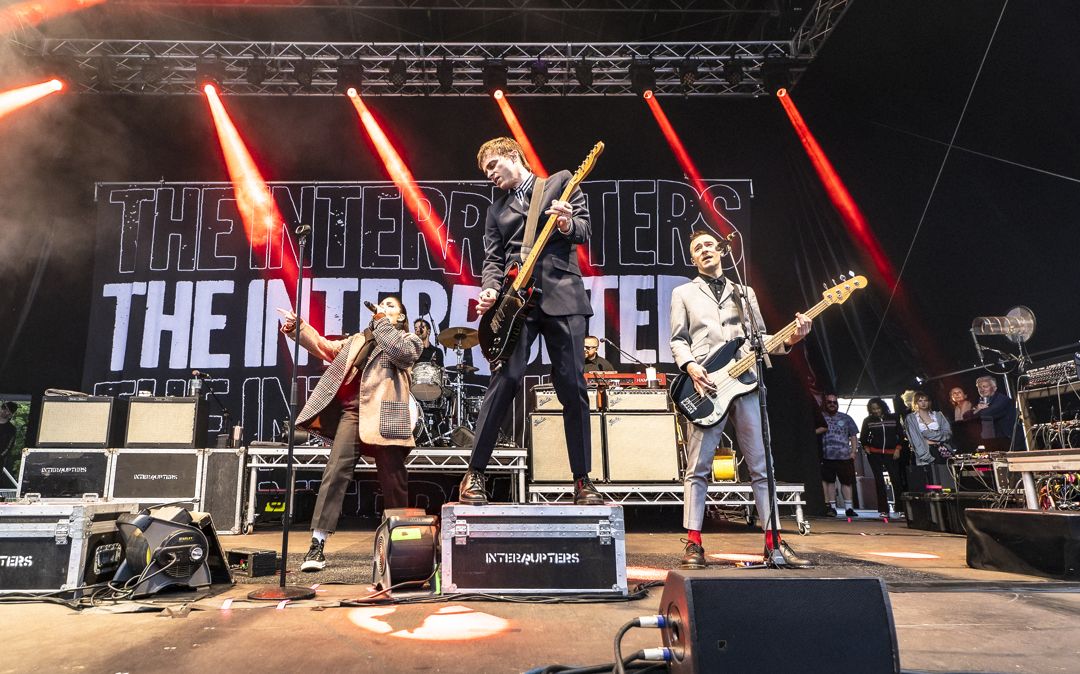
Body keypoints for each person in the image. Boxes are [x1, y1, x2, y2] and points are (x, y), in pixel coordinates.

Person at [458, 137, 602, 506]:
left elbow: (584, 230)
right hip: (515, 303)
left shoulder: (560, 182)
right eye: (485, 171)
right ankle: (475, 474)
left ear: (513, 156)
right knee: (504, 379)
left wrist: (568, 223)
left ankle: (582, 480)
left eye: (492, 165)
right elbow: (492, 260)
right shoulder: (496, 211)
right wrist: (490, 290)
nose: (489, 175)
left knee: (572, 385)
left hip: (563, 295)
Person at [670, 229, 813, 568]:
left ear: (721, 250)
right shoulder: (683, 292)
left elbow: (762, 340)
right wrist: (691, 367)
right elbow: (677, 339)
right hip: (707, 384)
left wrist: (791, 338)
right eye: (697, 248)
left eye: (709, 245)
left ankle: (773, 541)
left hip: (747, 382)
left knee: (762, 466)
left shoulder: (744, 292)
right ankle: (693, 543)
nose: (705, 250)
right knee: (698, 467)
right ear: (692, 258)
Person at [280, 296, 423, 572]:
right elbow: (325, 347)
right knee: (335, 472)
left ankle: (399, 540)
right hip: (353, 413)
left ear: (401, 317)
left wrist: (382, 325)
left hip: (386, 413)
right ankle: (317, 544)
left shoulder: (408, 339)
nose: (384, 307)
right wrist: (299, 328)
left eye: (391, 306)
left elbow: (403, 354)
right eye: (382, 304)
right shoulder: (358, 339)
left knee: (394, 480)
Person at [817, 394, 860, 518]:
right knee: (829, 482)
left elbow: (853, 435)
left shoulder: (846, 418)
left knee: (847, 482)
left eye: (834, 402)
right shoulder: (821, 417)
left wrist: (853, 451)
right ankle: (832, 507)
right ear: (825, 403)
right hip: (826, 456)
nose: (832, 404)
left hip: (844, 456)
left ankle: (849, 508)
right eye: (829, 402)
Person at [859, 397, 904, 518]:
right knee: (879, 480)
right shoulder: (868, 420)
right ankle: (883, 510)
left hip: (892, 453)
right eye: (873, 409)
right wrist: (866, 447)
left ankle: (901, 508)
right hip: (874, 454)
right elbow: (863, 437)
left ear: (882, 407)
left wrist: (898, 449)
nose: (876, 411)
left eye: (878, 408)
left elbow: (900, 434)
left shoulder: (893, 418)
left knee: (896, 479)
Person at [903, 390, 954, 490]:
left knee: (947, 481)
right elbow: (914, 439)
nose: (923, 403)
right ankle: (936, 504)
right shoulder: (911, 418)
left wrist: (927, 434)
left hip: (942, 450)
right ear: (915, 403)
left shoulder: (938, 415)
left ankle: (948, 503)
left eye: (925, 400)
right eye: (920, 400)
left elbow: (948, 433)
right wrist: (926, 455)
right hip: (925, 451)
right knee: (931, 482)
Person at [971, 375, 1017, 451]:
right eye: (979, 387)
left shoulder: (1003, 400)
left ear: (994, 388)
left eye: (985, 386)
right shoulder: (982, 401)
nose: (982, 390)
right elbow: (966, 416)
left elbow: (986, 414)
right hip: (994, 442)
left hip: (1010, 442)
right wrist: (977, 409)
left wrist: (976, 410)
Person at [948, 386, 980, 452]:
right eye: (954, 393)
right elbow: (957, 423)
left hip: (972, 436)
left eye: (959, 392)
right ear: (951, 397)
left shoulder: (966, 403)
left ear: (965, 395)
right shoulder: (957, 407)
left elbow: (962, 422)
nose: (957, 394)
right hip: (964, 436)